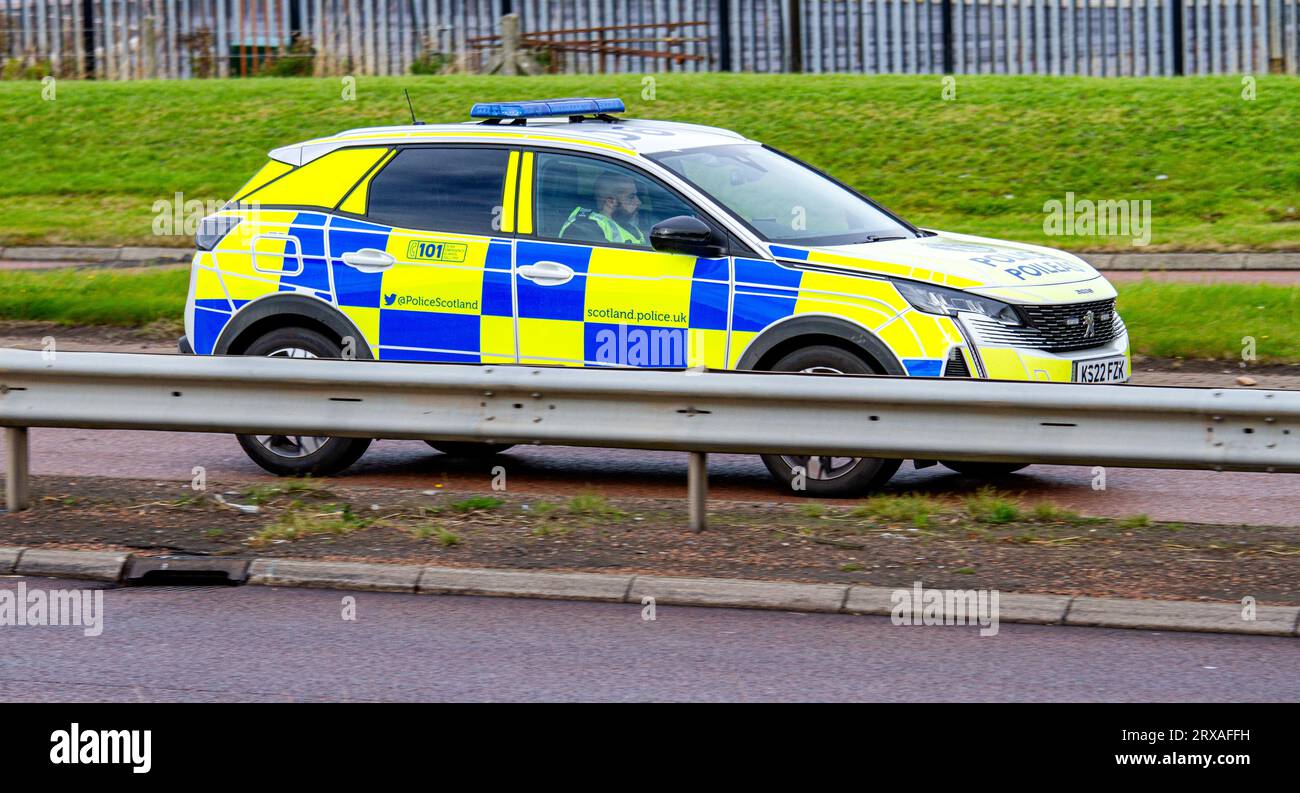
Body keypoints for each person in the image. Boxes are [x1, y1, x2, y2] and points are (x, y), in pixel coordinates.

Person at [559, 172, 647, 245]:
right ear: (611, 202)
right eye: (631, 197)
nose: (639, 202)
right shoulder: (584, 228)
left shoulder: (627, 226)